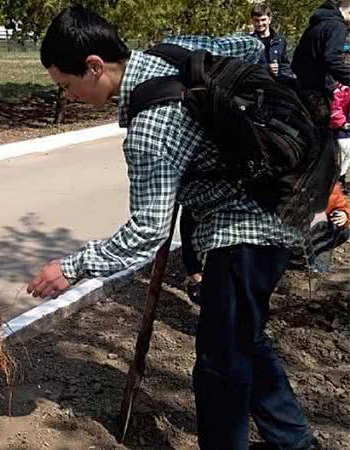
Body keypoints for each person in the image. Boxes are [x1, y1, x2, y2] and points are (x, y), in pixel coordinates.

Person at [28, 6, 320, 450]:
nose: (69, 97)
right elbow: (250, 46)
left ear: (93, 67)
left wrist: (72, 267)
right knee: (244, 340)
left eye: (67, 86)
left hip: (242, 235)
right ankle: (293, 441)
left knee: (220, 369)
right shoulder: (174, 48)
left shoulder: (148, 130)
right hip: (281, 205)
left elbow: (148, 230)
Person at [292, 0, 350, 97]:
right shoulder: (337, 26)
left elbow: (297, 58)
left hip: (302, 86)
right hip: (318, 90)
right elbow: (332, 59)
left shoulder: (319, 22)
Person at [250, 3, 295, 79]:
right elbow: (245, 67)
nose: (260, 24)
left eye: (263, 20)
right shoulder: (249, 42)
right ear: (252, 21)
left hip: (278, 84)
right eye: (256, 20)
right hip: (258, 82)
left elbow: (284, 65)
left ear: (269, 20)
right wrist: (266, 68)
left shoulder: (280, 41)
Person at [330, 78, 350, 193]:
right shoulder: (340, 89)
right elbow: (335, 108)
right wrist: (342, 123)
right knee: (345, 151)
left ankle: (340, 180)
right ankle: (338, 180)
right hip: (341, 128)